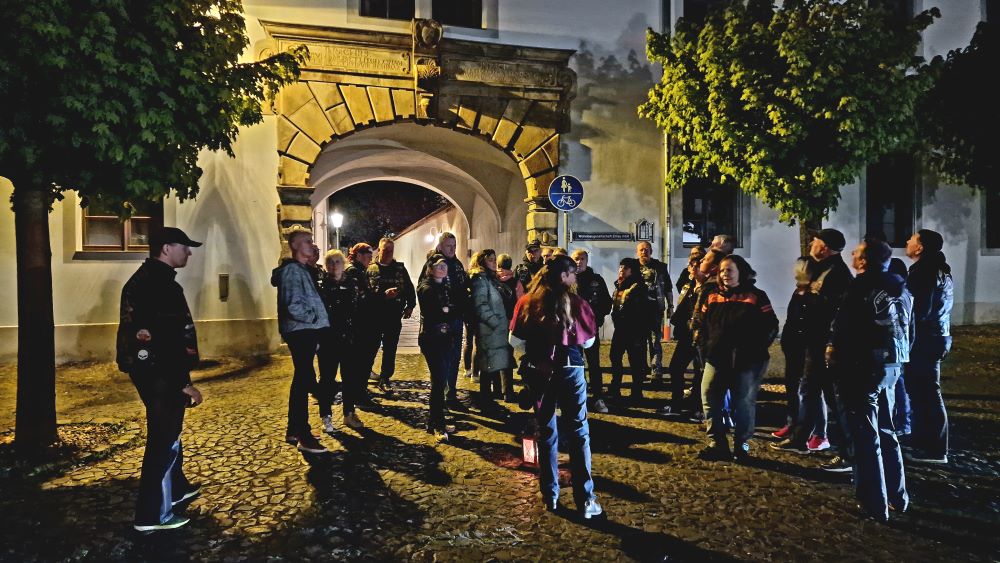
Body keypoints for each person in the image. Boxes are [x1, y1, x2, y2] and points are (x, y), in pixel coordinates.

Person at [117, 227, 204, 532]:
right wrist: (182, 382)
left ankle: (176, 488)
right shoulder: (159, 285)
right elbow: (166, 341)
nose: (189, 252)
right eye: (184, 246)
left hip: (152, 370)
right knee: (163, 439)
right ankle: (153, 514)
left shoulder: (151, 279)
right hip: (159, 373)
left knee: (169, 433)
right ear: (166, 248)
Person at [509, 254, 603, 518]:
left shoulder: (528, 302)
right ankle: (586, 499)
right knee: (579, 431)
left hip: (540, 371)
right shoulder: (577, 303)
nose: (575, 278)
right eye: (572, 274)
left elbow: (515, 341)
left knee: (547, 432)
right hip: (571, 369)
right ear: (564, 276)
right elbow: (588, 342)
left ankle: (550, 495)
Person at [827, 237, 911, 521]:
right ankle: (898, 496)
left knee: (865, 436)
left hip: (862, 368)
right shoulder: (901, 288)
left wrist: (837, 361)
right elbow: (909, 327)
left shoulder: (860, 287)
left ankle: (873, 503)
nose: (852, 253)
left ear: (863, 260)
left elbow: (845, 330)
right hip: (892, 365)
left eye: (857, 251)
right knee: (886, 430)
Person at [772, 228, 853, 458]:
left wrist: (830, 342)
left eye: (815, 241)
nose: (811, 245)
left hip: (820, 342)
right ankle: (803, 437)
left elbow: (831, 312)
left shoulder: (837, 274)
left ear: (824, 247)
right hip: (807, 340)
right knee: (810, 390)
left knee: (825, 395)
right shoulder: (819, 269)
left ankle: (843, 447)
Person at [697, 255, 778, 461]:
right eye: (722, 270)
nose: (725, 274)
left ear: (741, 272)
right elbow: (702, 324)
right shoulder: (712, 296)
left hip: (747, 362)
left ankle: (742, 445)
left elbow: (771, 326)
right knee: (709, 397)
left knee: (743, 403)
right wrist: (706, 347)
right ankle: (717, 443)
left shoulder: (756, 296)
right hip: (716, 358)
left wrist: (753, 349)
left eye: (729, 270)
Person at [272, 229, 330, 454]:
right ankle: (303, 434)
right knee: (304, 382)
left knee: (301, 381)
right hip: (302, 331)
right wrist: (315, 319)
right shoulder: (293, 271)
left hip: (305, 330)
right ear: (295, 246)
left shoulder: (302, 269)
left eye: (312, 241)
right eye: (307, 241)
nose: (312, 245)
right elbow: (293, 305)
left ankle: (294, 430)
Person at [904, 229, 954, 464]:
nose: (907, 241)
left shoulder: (924, 271)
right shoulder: (937, 269)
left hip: (924, 339)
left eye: (912, 239)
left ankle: (934, 449)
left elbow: (918, 311)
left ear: (920, 247)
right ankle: (924, 442)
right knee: (923, 393)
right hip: (935, 337)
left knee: (927, 394)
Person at [418, 233, 469, 408]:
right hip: (440, 323)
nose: (452, 249)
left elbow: (464, 287)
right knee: (441, 362)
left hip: (456, 318)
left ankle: (451, 394)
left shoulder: (458, 264)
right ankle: (440, 399)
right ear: (440, 246)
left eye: (454, 245)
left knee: (454, 358)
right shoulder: (433, 265)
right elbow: (424, 290)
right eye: (449, 246)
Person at [318, 249, 364, 432]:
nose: (334, 265)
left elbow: (359, 309)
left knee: (350, 377)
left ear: (344, 264)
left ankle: (349, 413)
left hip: (349, 338)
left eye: (337, 261)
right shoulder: (321, 285)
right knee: (327, 379)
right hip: (328, 339)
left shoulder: (352, 283)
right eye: (330, 262)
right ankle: (326, 416)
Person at [658, 246, 706, 418]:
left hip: (701, 337)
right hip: (687, 335)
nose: (691, 269)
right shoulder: (689, 286)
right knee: (675, 368)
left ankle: (698, 408)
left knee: (700, 372)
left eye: (695, 266)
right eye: (690, 266)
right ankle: (677, 404)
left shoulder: (707, 289)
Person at [417, 254, 461, 440]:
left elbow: (456, 308)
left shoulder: (446, 286)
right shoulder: (426, 288)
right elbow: (434, 312)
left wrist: (448, 310)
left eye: (445, 265)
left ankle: (433, 421)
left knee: (441, 380)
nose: (443, 268)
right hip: (432, 339)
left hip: (446, 338)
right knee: (439, 380)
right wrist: (447, 311)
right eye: (439, 266)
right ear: (430, 268)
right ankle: (438, 425)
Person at [367, 237, 416, 395]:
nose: (388, 253)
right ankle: (365, 372)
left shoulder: (400, 269)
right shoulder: (370, 269)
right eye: (385, 250)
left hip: (393, 315)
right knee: (371, 346)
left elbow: (409, 288)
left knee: (390, 348)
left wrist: (410, 306)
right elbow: (365, 292)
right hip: (374, 315)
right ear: (379, 250)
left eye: (391, 250)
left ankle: (385, 378)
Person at [469, 249, 514, 414]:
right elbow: (480, 305)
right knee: (487, 368)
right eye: (490, 260)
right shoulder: (480, 279)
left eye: (495, 259)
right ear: (482, 261)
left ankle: (492, 400)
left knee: (493, 365)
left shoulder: (491, 277)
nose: (494, 263)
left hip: (497, 328)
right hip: (488, 329)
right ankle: (486, 402)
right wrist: (494, 322)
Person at [572, 249, 613, 413]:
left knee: (594, 364)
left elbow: (607, 303)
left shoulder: (596, 280)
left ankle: (598, 398)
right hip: (572, 332)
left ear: (587, 261)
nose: (579, 262)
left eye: (582, 259)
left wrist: (596, 318)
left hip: (590, 330)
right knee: (575, 365)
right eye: (576, 258)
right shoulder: (568, 280)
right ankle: (578, 398)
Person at [608, 257, 651, 406]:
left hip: (634, 332)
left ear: (632, 271)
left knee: (635, 363)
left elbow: (641, 312)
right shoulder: (620, 285)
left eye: (625, 268)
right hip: (620, 330)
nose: (621, 270)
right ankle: (615, 388)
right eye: (620, 267)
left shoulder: (638, 287)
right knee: (614, 357)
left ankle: (637, 392)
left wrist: (640, 334)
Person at [345, 242, 378, 408]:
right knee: (360, 362)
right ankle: (358, 395)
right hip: (360, 325)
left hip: (363, 323)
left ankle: (360, 392)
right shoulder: (354, 272)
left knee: (363, 362)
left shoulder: (360, 271)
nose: (370, 258)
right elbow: (360, 299)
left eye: (371, 255)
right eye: (367, 255)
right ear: (358, 255)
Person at [635, 241, 672, 382]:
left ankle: (656, 369)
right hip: (637, 312)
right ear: (637, 252)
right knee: (639, 341)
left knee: (655, 341)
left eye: (646, 249)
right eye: (641, 250)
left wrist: (671, 306)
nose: (644, 252)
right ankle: (641, 369)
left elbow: (668, 288)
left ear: (651, 251)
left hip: (655, 310)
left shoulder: (660, 267)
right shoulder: (632, 266)